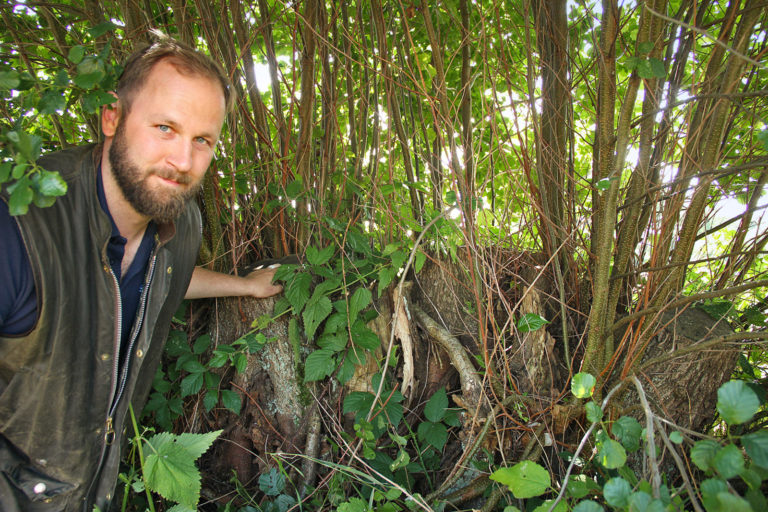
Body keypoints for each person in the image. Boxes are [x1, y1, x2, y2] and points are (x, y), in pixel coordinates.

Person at [0, 34, 282, 511]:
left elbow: (164, 275)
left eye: (202, 140)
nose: (183, 162)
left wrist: (247, 287)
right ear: (112, 117)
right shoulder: (21, 224)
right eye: (165, 128)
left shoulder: (179, 219)